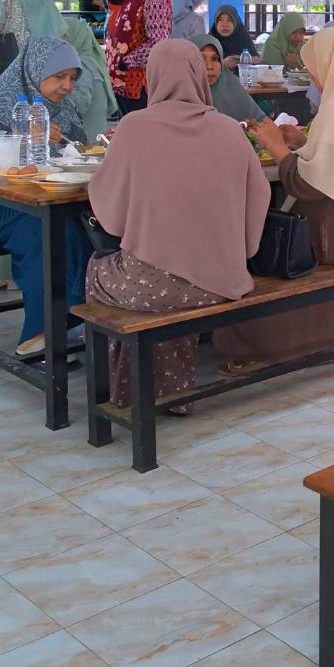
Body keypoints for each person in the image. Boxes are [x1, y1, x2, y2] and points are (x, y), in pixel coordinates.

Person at [87, 39, 270, 412]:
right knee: (169, 271)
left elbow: (109, 213)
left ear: (152, 76)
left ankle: (134, 391)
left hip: (150, 288)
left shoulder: (134, 128)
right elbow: (259, 197)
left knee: (99, 271)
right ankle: (171, 389)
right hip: (222, 283)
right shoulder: (229, 129)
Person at [223, 26, 334, 373]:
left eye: (315, 71)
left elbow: (307, 184)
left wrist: (276, 145)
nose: (315, 81)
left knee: (263, 248)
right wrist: (303, 143)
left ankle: (263, 345)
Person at [0, 37, 92, 357]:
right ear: (35, 71)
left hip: (52, 199)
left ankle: (73, 320)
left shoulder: (64, 109)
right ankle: (38, 335)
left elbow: (78, 151)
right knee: (50, 238)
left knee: (90, 231)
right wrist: (23, 140)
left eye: (72, 78)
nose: (67, 86)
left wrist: (60, 143)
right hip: (1, 203)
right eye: (59, 76)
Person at [105, 0, 172, 115]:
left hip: (139, 90)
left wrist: (125, 62)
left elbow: (158, 44)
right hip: (123, 87)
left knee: (141, 132)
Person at [61, 16, 117, 143]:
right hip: (93, 135)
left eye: (64, 37)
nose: (60, 42)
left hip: (89, 139)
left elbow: (80, 103)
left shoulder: (83, 65)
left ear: (77, 37)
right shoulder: (89, 60)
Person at [188, 35, 263, 123]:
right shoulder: (179, 97)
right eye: (201, 59)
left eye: (215, 59)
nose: (209, 66)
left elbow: (263, 123)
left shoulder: (233, 88)